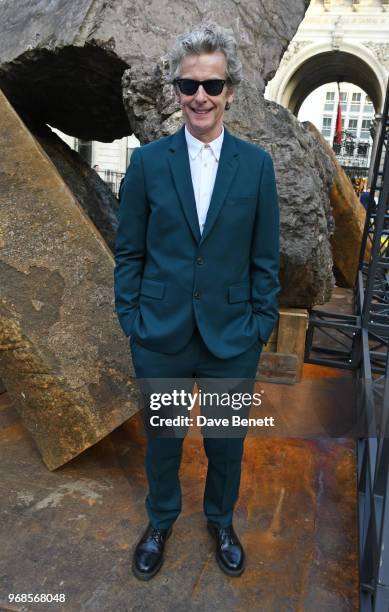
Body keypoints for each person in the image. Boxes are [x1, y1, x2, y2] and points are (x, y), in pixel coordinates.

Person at [114, 22, 280, 580]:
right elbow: (130, 252)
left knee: (226, 443)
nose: (200, 97)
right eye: (189, 86)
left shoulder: (256, 167)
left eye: (211, 85)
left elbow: (265, 259)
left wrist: (260, 323)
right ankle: (160, 520)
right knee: (162, 441)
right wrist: (131, 318)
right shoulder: (147, 164)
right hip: (159, 333)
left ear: (230, 90)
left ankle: (220, 521)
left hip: (233, 337)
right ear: (176, 91)